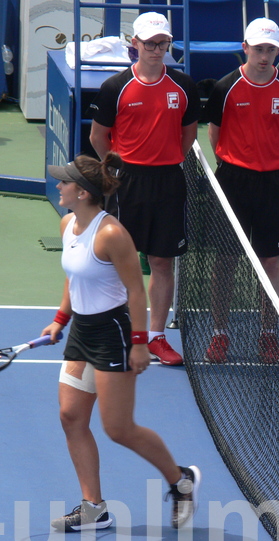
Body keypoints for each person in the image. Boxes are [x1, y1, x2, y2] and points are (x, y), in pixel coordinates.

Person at [42, 153, 200, 532]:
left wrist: (140, 343)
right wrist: (60, 319)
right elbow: (72, 277)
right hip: (83, 330)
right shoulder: (68, 224)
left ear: (82, 192)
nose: (58, 186)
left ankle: (181, 481)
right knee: (71, 416)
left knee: (118, 429)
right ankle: (94, 508)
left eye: (64, 182)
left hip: (114, 333)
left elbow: (135, 292)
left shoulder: (111, 233)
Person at [89, 11, 201, 366]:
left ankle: (155, 336)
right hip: (128, 183)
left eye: (163, 43)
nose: (157, 49)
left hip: (169, 180)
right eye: (150, 43)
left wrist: (167, 161)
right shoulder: (114, 87)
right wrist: (120, 170)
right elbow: (98, 136)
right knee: (119, 261)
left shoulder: (183, 86)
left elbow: (189, 134)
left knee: (162, 261)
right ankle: (119, 330)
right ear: (134, 44)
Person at [202, 18, 279, 364]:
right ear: (245, 48)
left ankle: (268, 334)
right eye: (259, 49)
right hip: (233, 181)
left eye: (271, 50)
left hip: (275, 183)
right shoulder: (225, 88)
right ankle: (220, 333)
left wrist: (271, 159)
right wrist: (236, 161)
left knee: (271, 259)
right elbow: (214, 135)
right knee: (226, 260)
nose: (265, 56)